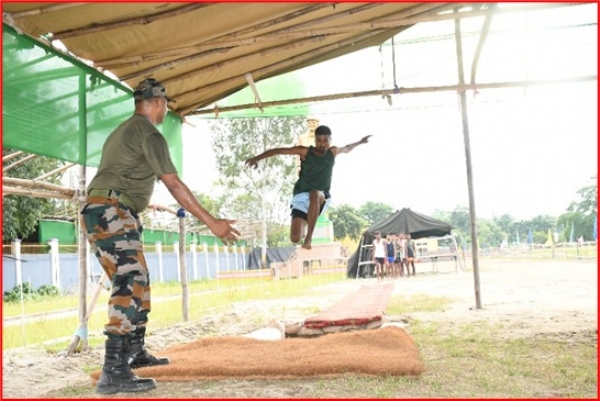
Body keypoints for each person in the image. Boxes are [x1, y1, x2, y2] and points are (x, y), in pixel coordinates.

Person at [80, 78, 240, 395]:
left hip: (106, 209)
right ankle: (113, 371)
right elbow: (174, 183)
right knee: (130, 279)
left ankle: (134, 352)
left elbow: (121, 174)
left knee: (138, 279)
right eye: (166, 104)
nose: (166, 109)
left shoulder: (125, 130)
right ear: (158, 103)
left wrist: (138, 201)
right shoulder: (149, 132)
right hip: (112, 211)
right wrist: (213, 223)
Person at [245, 125, 370, 249]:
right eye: (319, 141)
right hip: (301, 195)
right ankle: (305, 225)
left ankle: (309, 237)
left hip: (321, 195)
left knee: (314, 193)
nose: (322, 144)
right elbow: (279, 151)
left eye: (325, 141)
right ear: (315, 141)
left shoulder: (333, 152)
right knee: (295, 238)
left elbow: (347, 148)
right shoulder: (304, 152)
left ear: (330, 140)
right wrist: (257, 158)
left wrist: (360, 142)